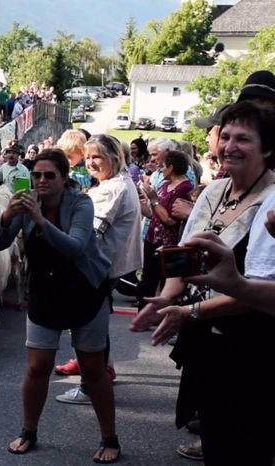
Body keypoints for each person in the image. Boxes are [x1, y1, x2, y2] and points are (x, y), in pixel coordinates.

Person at [131, 101, 275, 466]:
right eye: (225, 136)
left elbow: (260, 289)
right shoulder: (214, 191)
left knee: (245, 444)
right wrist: (165, 298)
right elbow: (183, 257)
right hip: (208, 344)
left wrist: (190, 311)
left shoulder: (271, 201)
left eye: (243, 139)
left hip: (250, 346)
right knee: (215, 437)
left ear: (269, 148)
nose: (229, 146)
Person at [0, 148, 119, 464]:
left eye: (50, 175)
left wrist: (37, 219)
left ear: (64, 178)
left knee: (93, 368)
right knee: (37, 367)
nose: (42, 181)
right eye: (36, 175)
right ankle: (29, 431)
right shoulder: (26, 203)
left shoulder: (81, 203)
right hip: (46, 288)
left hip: (84, 287)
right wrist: (7, 216)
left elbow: (75, 247)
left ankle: (109, 437)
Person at [55, 134, 143, 405]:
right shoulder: (119, 182)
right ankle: (103, 369)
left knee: (88, 325)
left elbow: (89, 233)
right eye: (89, 157)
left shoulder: (111, 189)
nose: (91, 163)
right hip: (109, 265)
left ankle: (90, 385)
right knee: (98, 323)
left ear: (113, 158)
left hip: (97, 267)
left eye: (97, 157)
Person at [135, 151, 194, 307]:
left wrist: (153, 200)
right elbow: (153, 213)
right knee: (148, 280)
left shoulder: (185, 188)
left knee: (164, 283)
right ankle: (144, 315)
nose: (161, 170)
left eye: (163, 166)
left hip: (169, 245)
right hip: (152, 238)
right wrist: (141, 200)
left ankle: (160, 316)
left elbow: (169, 220)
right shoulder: (165, 185)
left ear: (171, 167)